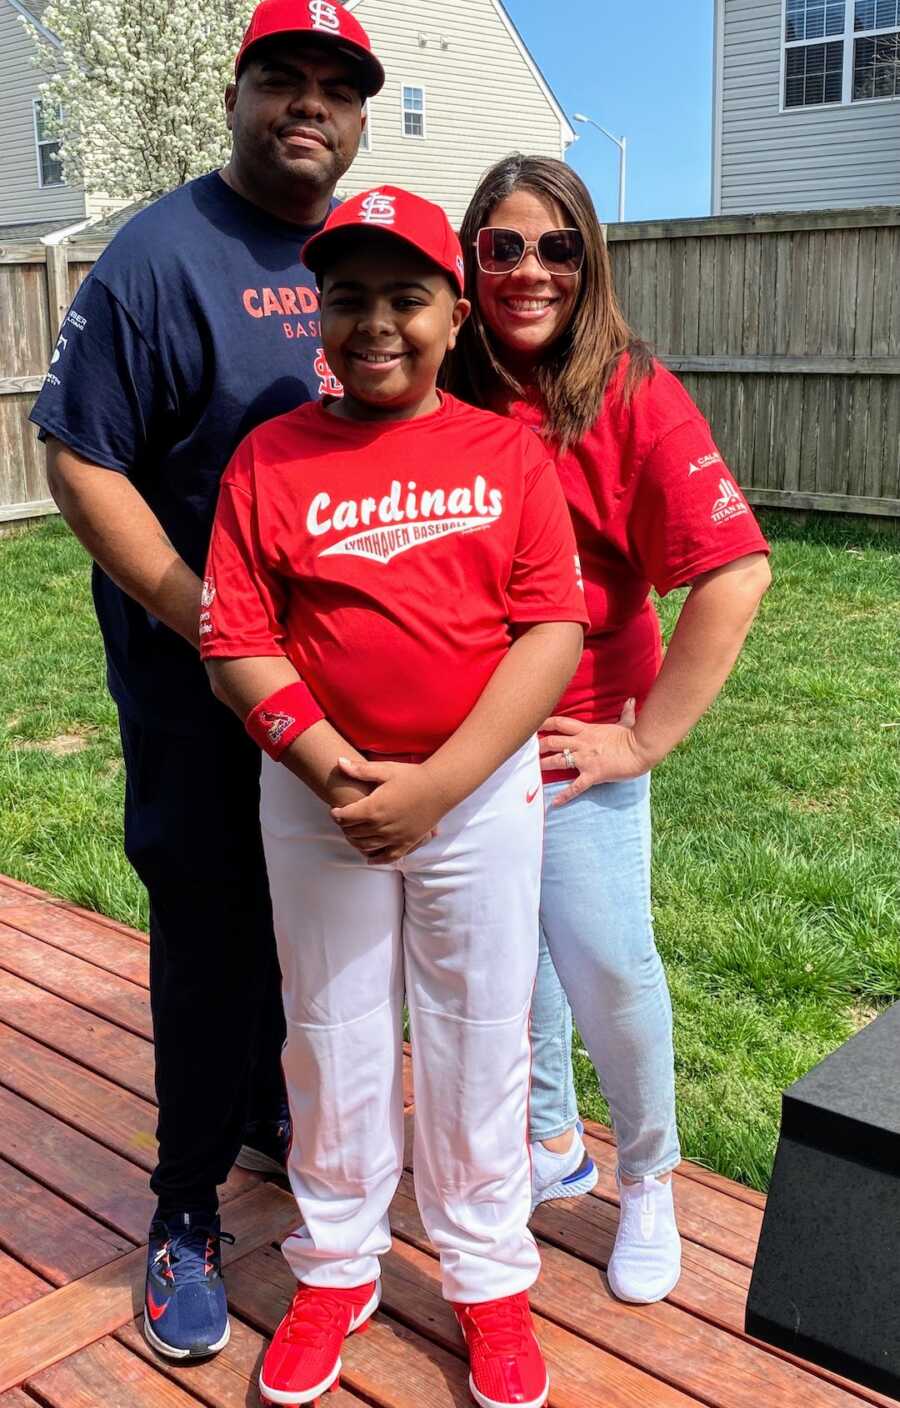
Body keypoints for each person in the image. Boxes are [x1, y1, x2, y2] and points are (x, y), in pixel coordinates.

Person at [29, 0, 384, 1361]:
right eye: (285, 81)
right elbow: (81, 457)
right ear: (238, 97)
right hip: (197, 682)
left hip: (347, 682)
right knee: (208, 926)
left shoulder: (368, 252)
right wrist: (208, 620)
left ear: (359, 117)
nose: (312, 107)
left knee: (316, 925)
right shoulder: (161, 256)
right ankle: (183, 1212)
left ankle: (272, 1116)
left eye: (338, 89)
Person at [201, 185, 588, 1408]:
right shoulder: (272, 454)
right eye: (348, 297)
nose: (376, 324)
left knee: (481, 1034)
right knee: (332, 1033)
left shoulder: (504, 450)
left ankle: (486, 1280)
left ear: (452, 311)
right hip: (321, 794)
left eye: (406, 298)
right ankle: (337, 1266)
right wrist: (330, 767)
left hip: (471, 795)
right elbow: (233, 635)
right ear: (318, 311)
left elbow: (552, 629)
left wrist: (440, 784)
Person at [447, 155, 772, 1307]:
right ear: (470, 259)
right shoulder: (447, 378)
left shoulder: (630, 391)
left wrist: (639, 742)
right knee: (509, 956)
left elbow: (734, 573)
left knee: (605, 967)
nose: (531, 270)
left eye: (557, 247)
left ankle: (649, 1175)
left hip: (578, 741)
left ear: (589, 261)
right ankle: (548, 1142)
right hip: (462, 745)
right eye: (505, 247)